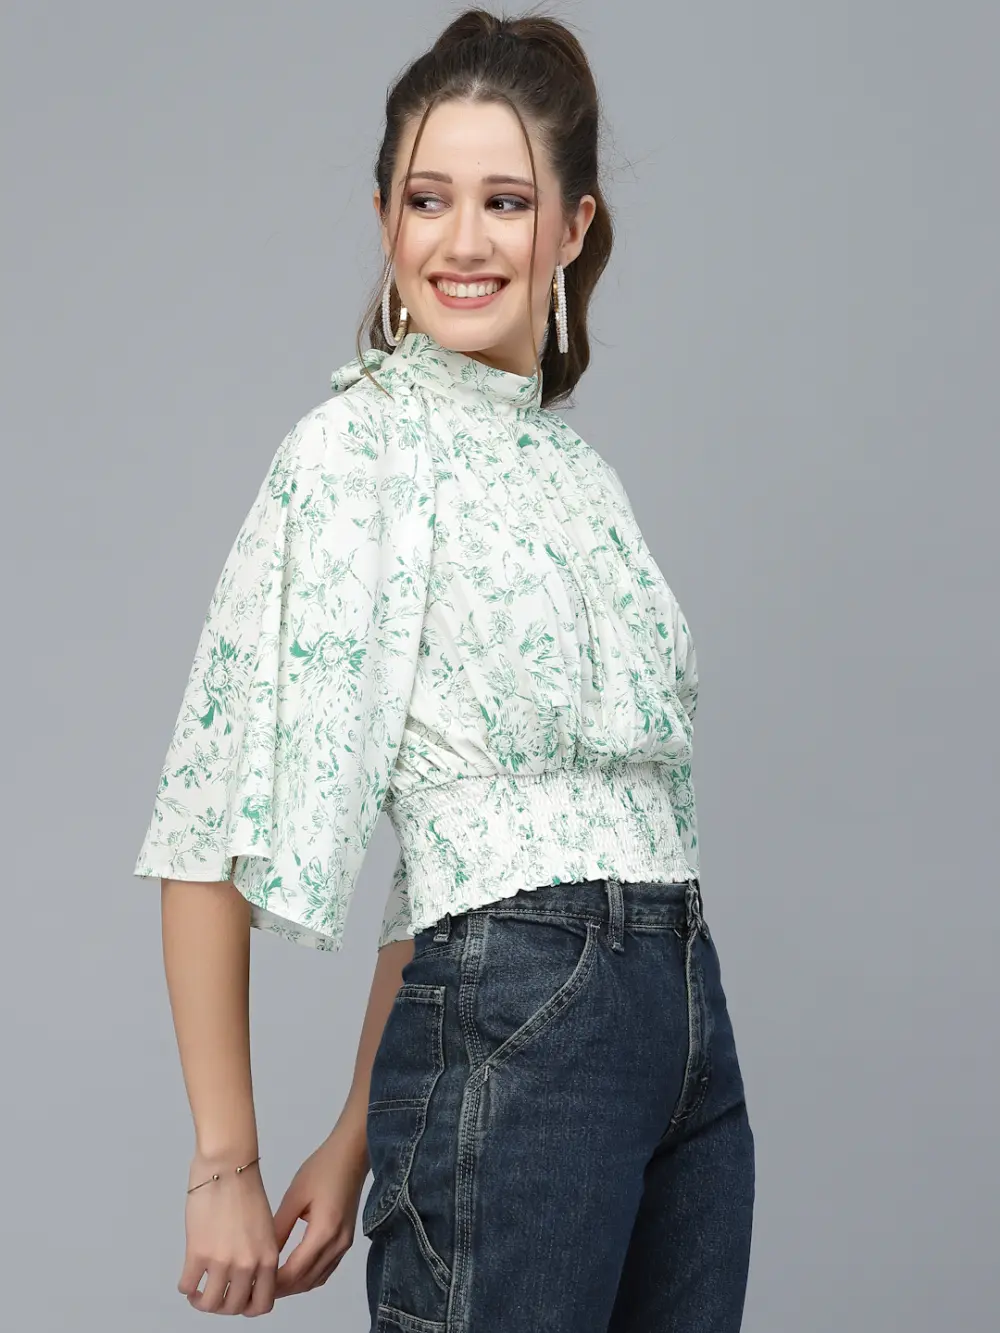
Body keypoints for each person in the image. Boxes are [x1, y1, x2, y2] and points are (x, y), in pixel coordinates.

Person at [133, 8, 755, 1328]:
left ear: (572, 227)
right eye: (428, 199)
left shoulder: (580, 480)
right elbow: (206, 816)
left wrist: (357, 1133)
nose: (462, 241)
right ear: (384, 220)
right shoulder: (355, 454)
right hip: (523, 1035)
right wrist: (224, 1162)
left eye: (505, 201)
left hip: (683, 1026)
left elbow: (449, 860)